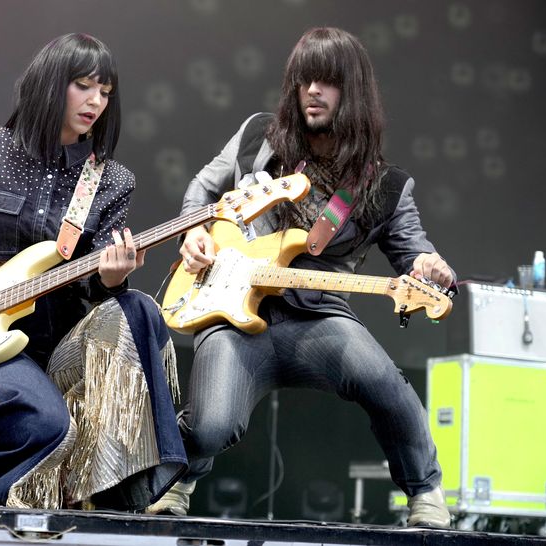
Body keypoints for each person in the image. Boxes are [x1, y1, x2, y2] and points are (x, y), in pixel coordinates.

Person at [147, 27, 454, 527]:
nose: (313, 90)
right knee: (210, 425)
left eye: (328, 81)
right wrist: (196, 231)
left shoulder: (386, 186)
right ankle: (181, 479)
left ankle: (425, 492)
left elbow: (416, 253)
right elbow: (203, 189)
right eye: (305, 79)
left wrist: (430, 267)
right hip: (232, 309)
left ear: (351, 91)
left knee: (387, 386)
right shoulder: (256, 137)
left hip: (320, 319)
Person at [0, 33, 186, 510]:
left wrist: (112, 280)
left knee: (139, 308)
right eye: (85, 86)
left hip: (63, 343)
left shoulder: (112, 180)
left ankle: (154, 485)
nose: (96, 102)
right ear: (52, 83)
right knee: (47, 426)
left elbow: (97, 286)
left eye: (105, 92)